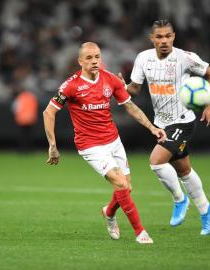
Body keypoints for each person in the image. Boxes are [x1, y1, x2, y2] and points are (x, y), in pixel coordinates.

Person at [43, 42, 167, 244]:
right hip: (90, 145)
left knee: (126, 188)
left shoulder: (110, 80)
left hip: (113, 140)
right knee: (120, 183)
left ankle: (108, 213)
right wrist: (52, 145)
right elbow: (49, 112)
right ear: (80, 61)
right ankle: (140, 232)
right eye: (89, 58)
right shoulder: (71, 86)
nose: (94, 61)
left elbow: (130, 106)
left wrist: (152, 128)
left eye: (97, 57)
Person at [119, 20, 210, 236]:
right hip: (162, 124)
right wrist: (122, 87)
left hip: (183, 120)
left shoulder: (185, 57)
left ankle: (180, 200)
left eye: (168, 36)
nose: (164, 40)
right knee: (184, 170)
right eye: (159, 37)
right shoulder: (143, 58)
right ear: (152, 39)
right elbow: (135, 89)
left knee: (156, 162)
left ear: (173, 36)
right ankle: (207, 211)